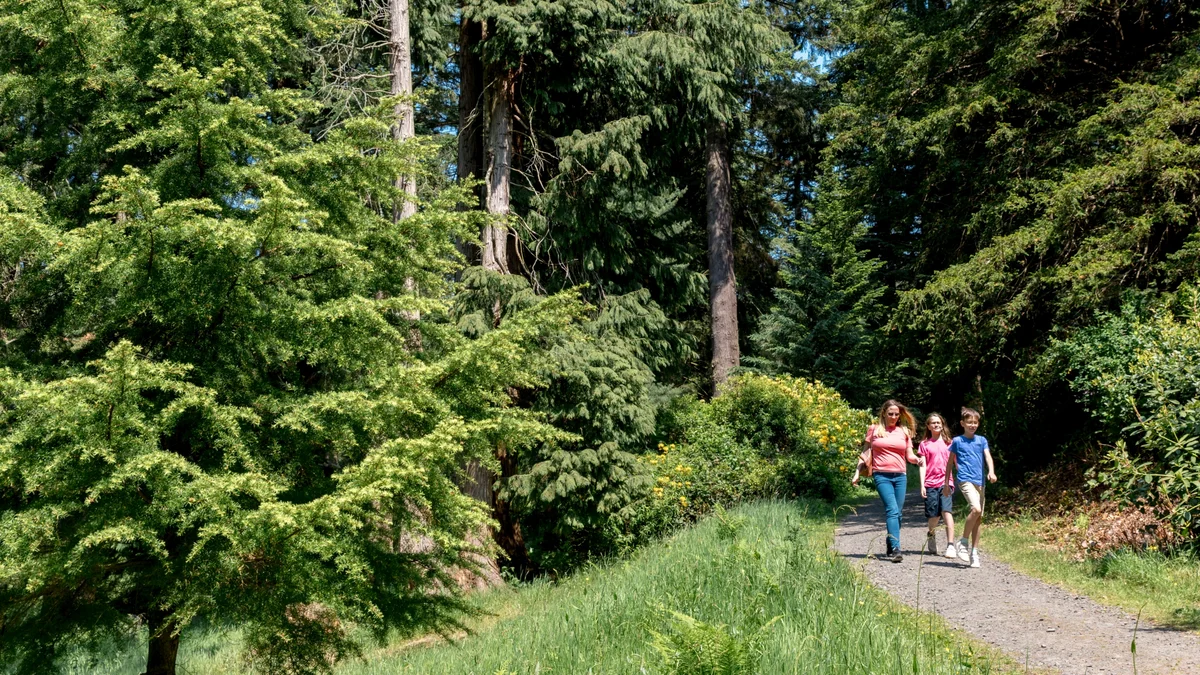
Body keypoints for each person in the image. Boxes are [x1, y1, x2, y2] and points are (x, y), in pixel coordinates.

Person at [852, 399, 921, 562]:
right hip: (881, 475)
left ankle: (890, 542)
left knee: (898, 513)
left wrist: (916, 460)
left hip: (900, 476)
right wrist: (856, 472)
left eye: (897, 414)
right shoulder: (874, 430)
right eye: (891, 414)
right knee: (892, 509)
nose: (894, 417)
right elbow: (866, 453)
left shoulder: (903, 431)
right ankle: (897, 548)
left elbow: (909, 455)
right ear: (883, 413)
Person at [943, 407, 997, 568]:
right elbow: (949, 463)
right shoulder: (957, 441)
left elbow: (988, 456)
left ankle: (974, 552)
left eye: (975, 423)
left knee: (978, 519)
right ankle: (963, 542)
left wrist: (991, 472)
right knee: (976, 509)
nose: (972, 425)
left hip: (980, 482)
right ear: (962, 423)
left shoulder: (981, 440)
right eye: (969, 422)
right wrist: (946, 483)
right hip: (965, 479)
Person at [917, 413, 957, 558]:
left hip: (946, 482)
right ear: (928, 426)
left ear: (942, 424)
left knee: (947, 511)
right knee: (934, 515)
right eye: (933, 423)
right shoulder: (924, 444)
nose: (936, 425)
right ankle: (931, 533)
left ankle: (950, 545)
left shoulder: (950, 443)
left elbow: (957, 463)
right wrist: (922, 485)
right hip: (930, 483)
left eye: (938, 422)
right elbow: (922, 465)